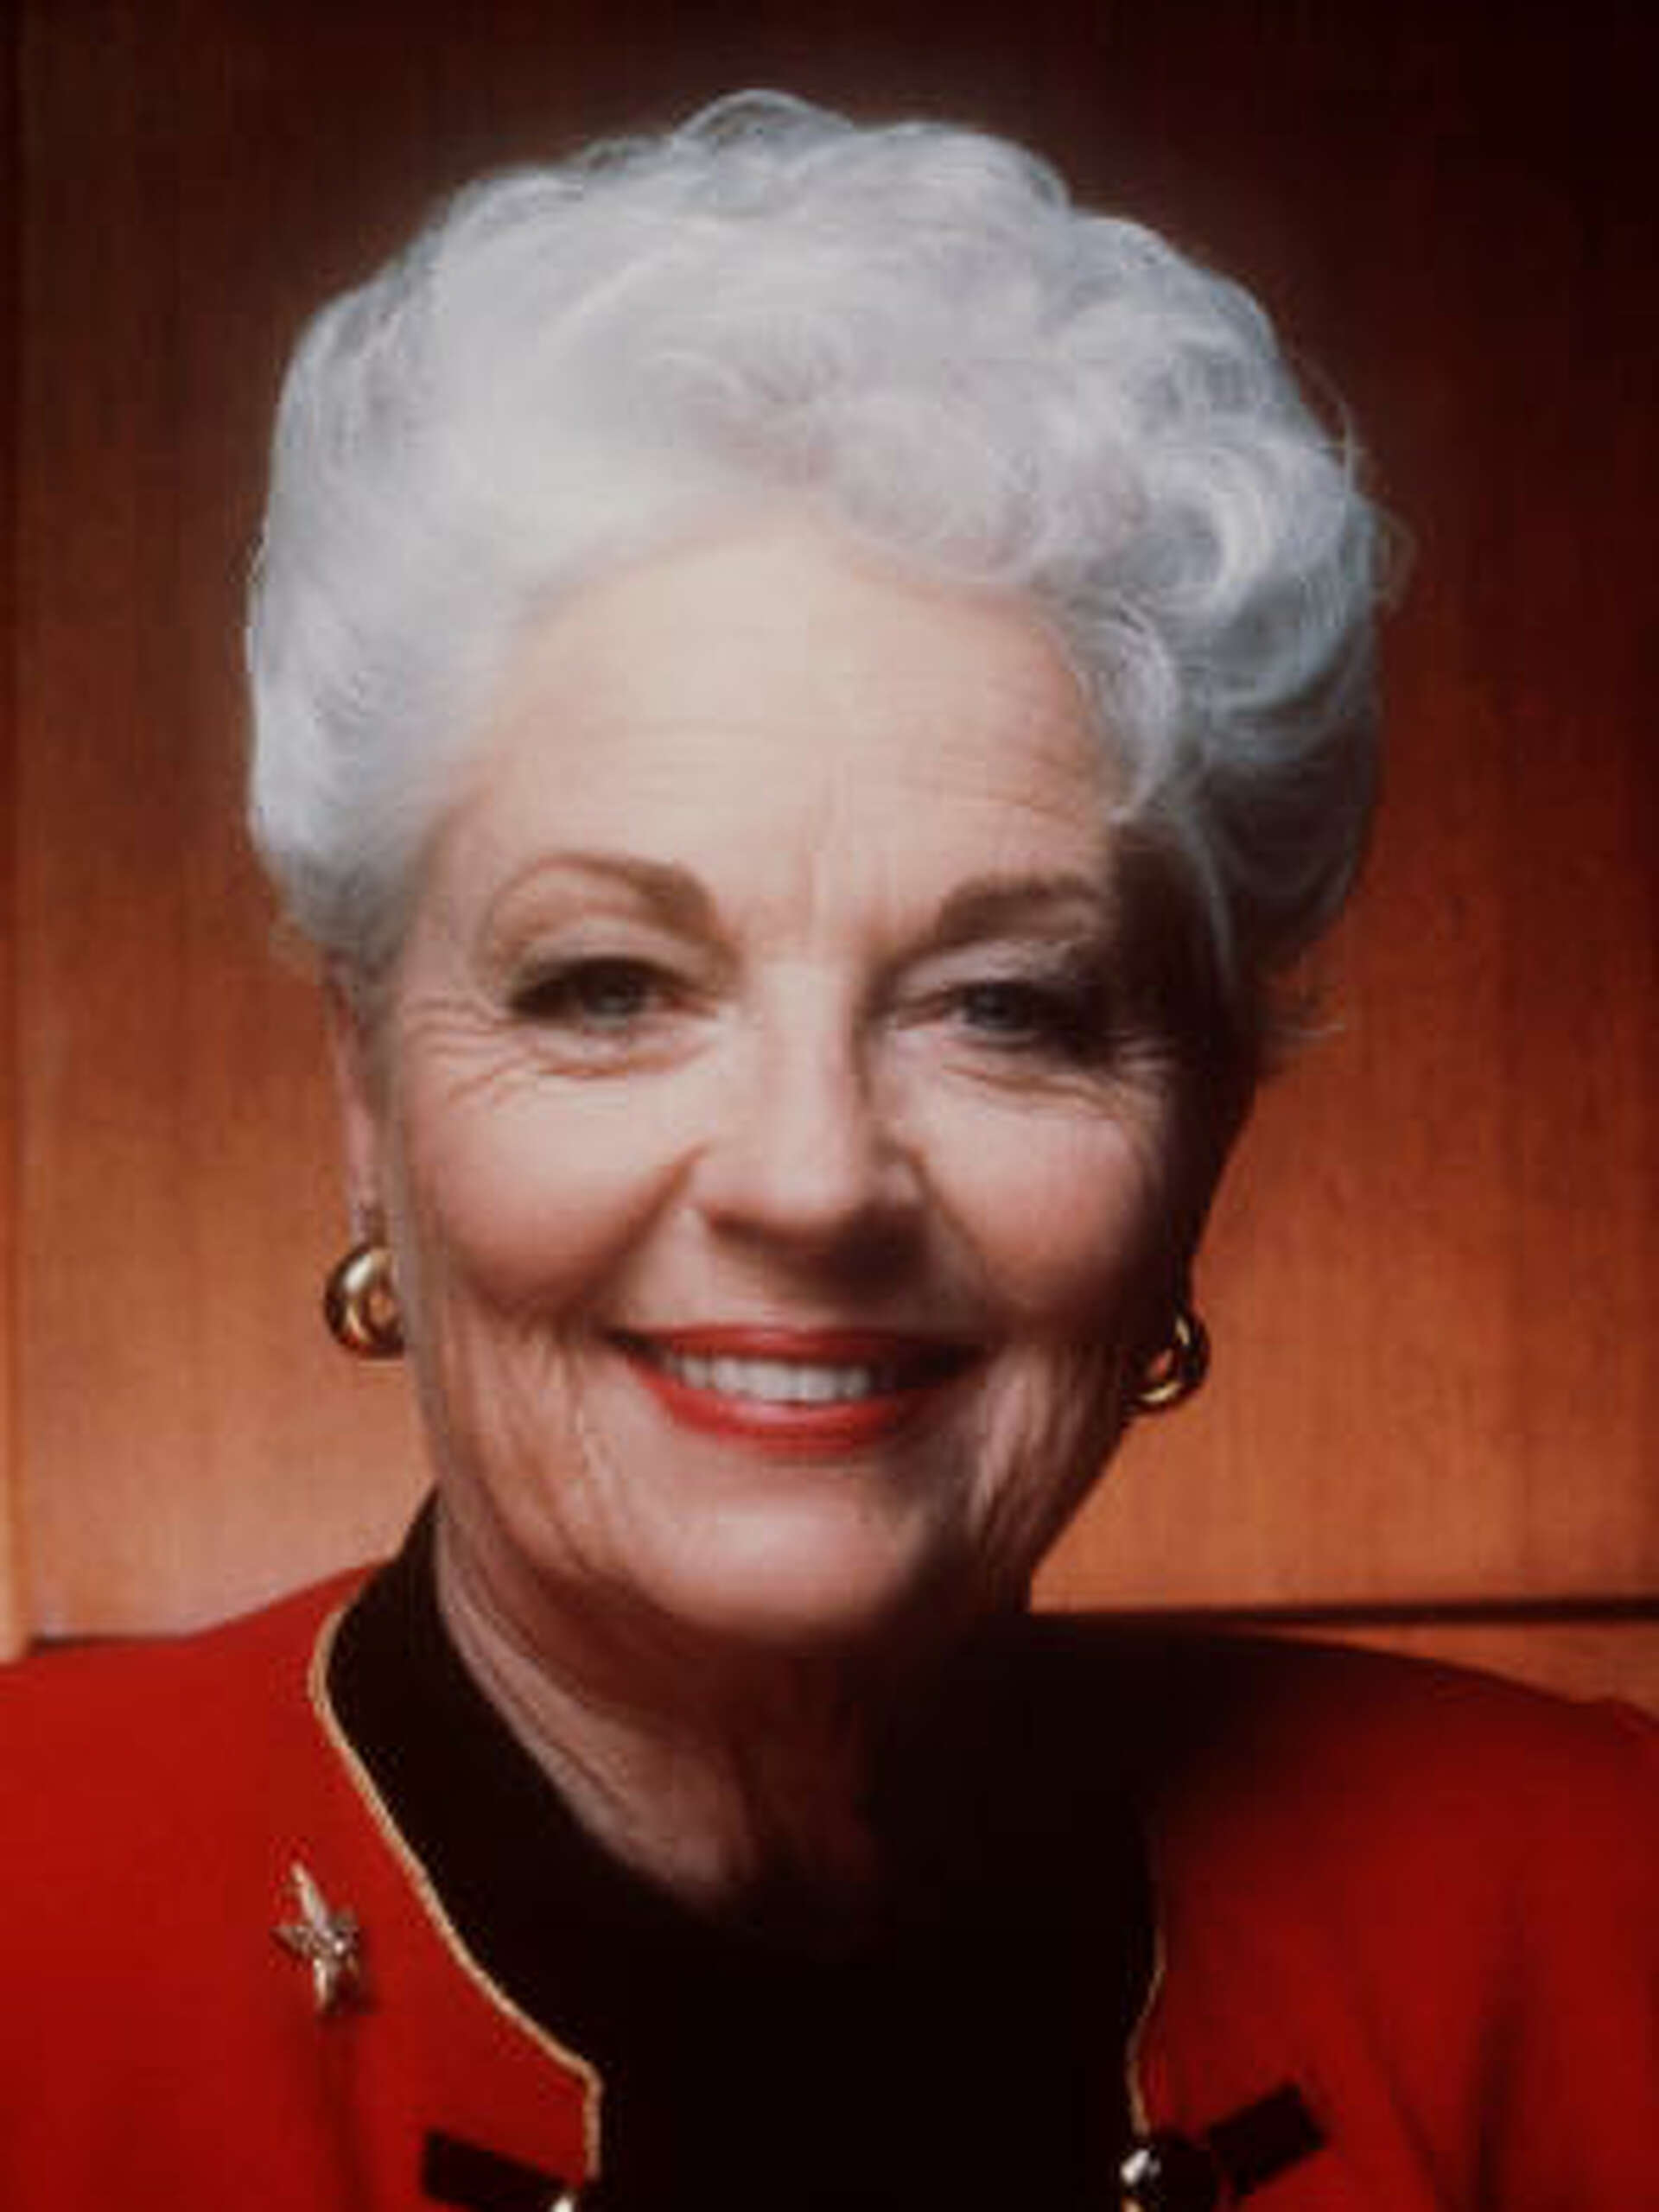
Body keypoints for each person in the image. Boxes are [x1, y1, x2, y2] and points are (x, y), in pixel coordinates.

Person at [2, 92, 1654, 2212]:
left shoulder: (1595, 1914)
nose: (810, 1177)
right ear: (365, 1091)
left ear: (1205, 1132)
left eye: (1008, 1003)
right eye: (610, 983)